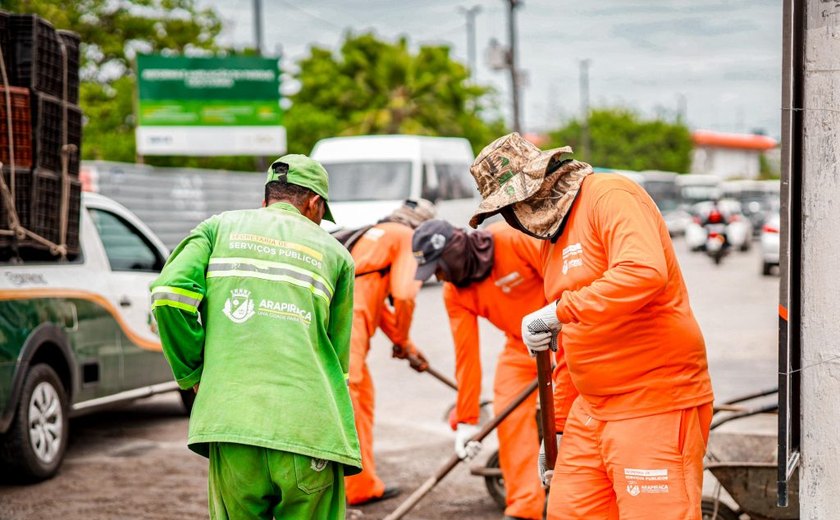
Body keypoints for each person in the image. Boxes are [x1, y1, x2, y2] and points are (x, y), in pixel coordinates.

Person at [467, 133, 714, 520]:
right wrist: (557, 429)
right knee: (568, 511)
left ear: (537, 185)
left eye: (512, 206)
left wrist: (559, 311)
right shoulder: (552, 242)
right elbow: (569, 342)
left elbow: (643, 272)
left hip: (653, 399)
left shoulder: (609, 195)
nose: (513, 219)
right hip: (590, 409)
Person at [150, 154, 360, 519]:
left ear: (266, 198)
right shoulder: (337, 255)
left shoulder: (217, 229)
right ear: (314, 203)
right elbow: (338, 365)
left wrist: (192, 371)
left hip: (232, 424)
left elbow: (169, 295)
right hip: (309, 430)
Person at [411, 218, 562, 520]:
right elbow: (466, 357)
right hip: (521, 347)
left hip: (566, 333)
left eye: (438, 268)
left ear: (453, 253)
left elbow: (562, 282)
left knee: (576, 412)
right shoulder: (455, 293)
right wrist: (467, 422)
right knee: (507, 412)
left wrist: (560, 331)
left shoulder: (512, 239)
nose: (438, 277)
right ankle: (524, 508)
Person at [344, 199, 436, 506]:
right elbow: (405, 296)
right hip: (348, 333)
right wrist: (403, 340)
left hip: (337, 325)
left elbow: (374, 300)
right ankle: (356, 488)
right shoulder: (405, 237)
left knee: (361, 399)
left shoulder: (372, 234)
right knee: (353, 405)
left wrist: (406, 346)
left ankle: (362, 482)